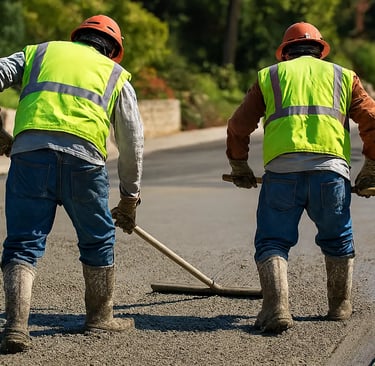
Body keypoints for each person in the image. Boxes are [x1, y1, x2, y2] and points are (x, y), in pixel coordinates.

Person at [0, 14, 144, 353]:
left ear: (76, 37)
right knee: (97, 239)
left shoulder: (40, 54)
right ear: (113, 51)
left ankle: (16, 326)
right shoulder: (116, 76)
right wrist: (129, 197)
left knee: (22, 243)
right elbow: (132, 141)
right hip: (85, 163)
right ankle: (99, 318)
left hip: (30, 157)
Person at [226, 22, 375, 334]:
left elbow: (239, 126)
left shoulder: (270, 76)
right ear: (320, 50)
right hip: (331, 174)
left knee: (272, 240)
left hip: (282, 175)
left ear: (285, 53)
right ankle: (339, 307)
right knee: (337, 238)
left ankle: (277, 308)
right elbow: (372, 119)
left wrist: (239, 165)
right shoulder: (343, 76)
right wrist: (371, 165)